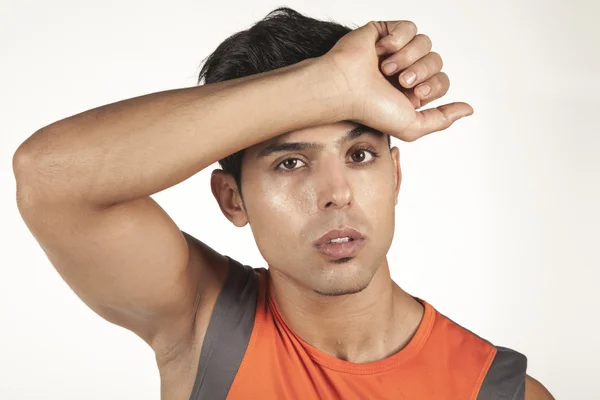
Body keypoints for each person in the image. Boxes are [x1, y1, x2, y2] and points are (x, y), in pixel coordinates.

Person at [12, 7, 554, 400]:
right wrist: (329, 84)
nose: (336, 193)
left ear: (395, 175)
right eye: (290, 163)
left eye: (360, 154)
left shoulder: (501, 391)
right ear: (232, 199)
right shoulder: (201, 323)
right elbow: (49, 177)